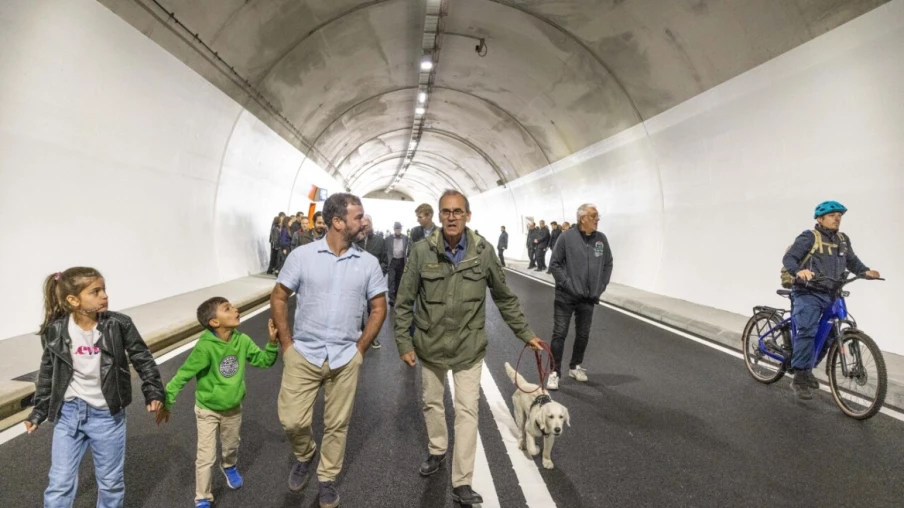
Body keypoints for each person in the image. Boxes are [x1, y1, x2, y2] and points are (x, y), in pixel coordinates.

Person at [395, 190, 543, 506]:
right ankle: (437, 449)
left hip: (468, 347)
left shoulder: (483, 252)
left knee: (467, 412)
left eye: (457, 211)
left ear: (467, 215)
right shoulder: (421, 252)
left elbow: (504, 297)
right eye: (446, 212)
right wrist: (404, 342)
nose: (451, 217)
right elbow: (404, 301)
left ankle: (462, 482)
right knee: (432, 403)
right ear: (439, 215)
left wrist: (525, 333)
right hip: (430, 346)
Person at [270, 193, 387, 508]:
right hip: (303, 354)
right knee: (292, 420)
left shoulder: (368, 263)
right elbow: (279, 296)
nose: (363, 222)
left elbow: (379, 308)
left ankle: (327, 478)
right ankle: (305, 454)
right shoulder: (302, 256)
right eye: (358, 217)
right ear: (338, 222)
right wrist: (287, 344)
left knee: (337, 424)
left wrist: (360, 348)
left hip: (345, 357)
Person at [25, 267, 165, 508]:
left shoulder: (119, 324)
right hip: (69, 415)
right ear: (73, 300)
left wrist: (153, 390)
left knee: (110, 483)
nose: (104, 296)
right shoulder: (55, 330)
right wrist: (39, 411)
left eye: (104, 290)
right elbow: (48, 372)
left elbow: (142, 357)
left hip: (107, 415)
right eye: (95, 291)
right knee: (59, 484)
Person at [156, 297, 280, 508]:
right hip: (207, 410)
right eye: (227, 309)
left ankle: (229, 466)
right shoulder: (205, 348)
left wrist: (272, 344)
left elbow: (264, 361)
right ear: (214, 322)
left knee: (231, 445)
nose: (235, 310)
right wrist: (167, 402)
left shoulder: (242, 340)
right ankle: (203, 497)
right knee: (205, 457)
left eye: (232, 307)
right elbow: (182, 375)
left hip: (233, 408)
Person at [781, 200, 880, 400]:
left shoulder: (842, 240)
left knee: (831, 334)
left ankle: (807, 368)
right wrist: (800, 271)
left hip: (831, 293)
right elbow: (789, 259)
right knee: (807, 330)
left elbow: (851, 261)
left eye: (839, 216)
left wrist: (865, 271)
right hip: (807, 292)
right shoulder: (809, 237)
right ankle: (799, 376)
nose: (837, 218)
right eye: (832, 215)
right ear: (820, 218)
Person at [547, 204, 613, 390]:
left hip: (589, 297)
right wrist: (568, 285)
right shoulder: (566, 237)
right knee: (560, 333)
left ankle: (575, 366)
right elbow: (555, 264)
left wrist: (601, 286)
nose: (597, 219)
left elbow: (608, 263)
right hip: (565, 296)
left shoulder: (601, 240)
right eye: (593, 216)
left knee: (583, 334)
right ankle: (554, 372)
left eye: (597, 216)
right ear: (582, 218)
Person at [355, 214, 388, 348]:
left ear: (371, 225)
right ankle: (357, 334)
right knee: (356, 307)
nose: (364, 227)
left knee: (373, 309)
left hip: (373, 281)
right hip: (356, 280)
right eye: (362, 225)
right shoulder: (354, 240)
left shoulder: (380, 240)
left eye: (367, 225)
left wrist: (379, 275)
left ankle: (371, 336)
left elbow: (385, 260)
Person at [385, 222, 409, 306]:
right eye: (397, 229)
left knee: (399, 280)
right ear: (394, 229)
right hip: (392, 261)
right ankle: (391, 298)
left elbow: (408, 249)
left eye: (399, 229)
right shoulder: (389, 238)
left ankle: (397, 296)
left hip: (402, 261)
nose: (398, 230)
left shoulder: (405, 238)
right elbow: (386, 249)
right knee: (391, 280)